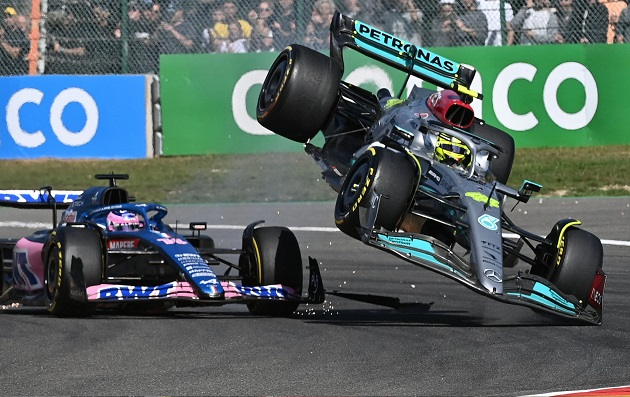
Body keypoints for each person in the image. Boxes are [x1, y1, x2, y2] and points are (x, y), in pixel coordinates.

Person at [0, 6, 28, 74]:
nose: (7, 19)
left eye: (10, 17)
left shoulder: (19, 34)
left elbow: (15, 54)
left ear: (15, 18)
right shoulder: (4, 32)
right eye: (5, 17)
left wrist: (2, 42)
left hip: (14, 69)